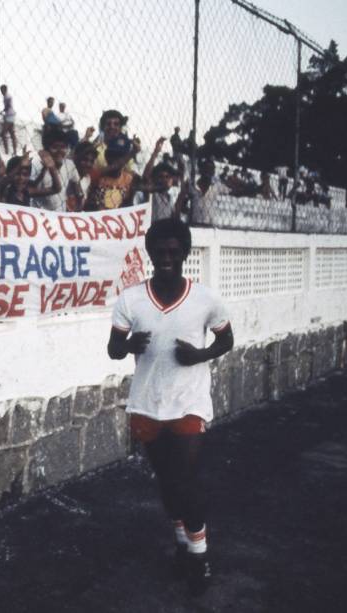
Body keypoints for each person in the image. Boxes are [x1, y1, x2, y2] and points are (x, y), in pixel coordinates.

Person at [108, 217, 233, 597]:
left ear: (184, 253)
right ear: (150, 254)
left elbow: (226, 340)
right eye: (159, 251)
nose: (166, 257)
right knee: (167, 482)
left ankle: (199, 555)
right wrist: (129, 346)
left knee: (186, 480)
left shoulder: (205, 299)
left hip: (188, 404)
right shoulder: (130, 299)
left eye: (173, 251)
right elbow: (113, 349)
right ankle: (183, 541)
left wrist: (200, 355)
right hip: (147, 404)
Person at [29, 126, 79, 212]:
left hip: (60, 215)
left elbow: (78, 189)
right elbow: (30, 189)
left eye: (63, 147)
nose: (59, 151)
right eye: (55, 147)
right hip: (39, 214)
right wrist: (46, 169)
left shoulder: (69, 165)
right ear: (46, 149)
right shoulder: (37, 164)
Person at [86, 135, 137, 211]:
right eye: (113, 156)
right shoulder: (98, 176)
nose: (116, 160)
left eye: (120, 156)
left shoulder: (128, 179)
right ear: (107, 157)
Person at [93, 109, 137, 174]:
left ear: (120, 128)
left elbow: (131, 172)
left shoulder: (125, 149)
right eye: (108, 124)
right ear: (103, 127)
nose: (112, 126)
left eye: (116, 124)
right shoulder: (96, 148)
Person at [0, 84, 17, 156]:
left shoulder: (7, 96)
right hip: (10, 116)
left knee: (3, 133)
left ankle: (7, 151)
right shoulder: (6, 96)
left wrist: (3, 111)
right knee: (12, 134)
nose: (1, 92)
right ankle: (14, 151)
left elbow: (8, 105)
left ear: (5, 89)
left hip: (9, 116)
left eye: (2, 90)